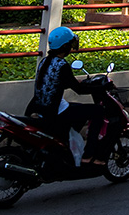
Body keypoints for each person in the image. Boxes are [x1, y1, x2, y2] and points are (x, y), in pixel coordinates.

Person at [27, 26, 106, 166]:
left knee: (78, 109)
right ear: (66, 46)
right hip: (55, 111)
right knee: (98, 111)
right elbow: (79, 90)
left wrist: (74, 82)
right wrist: (100, 86)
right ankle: (88, 155)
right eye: (70, 44)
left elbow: (53, 83)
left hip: (38, 107)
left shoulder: (44, 62)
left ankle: (66, 142)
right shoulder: (62, 65)